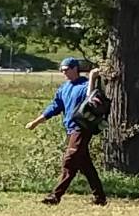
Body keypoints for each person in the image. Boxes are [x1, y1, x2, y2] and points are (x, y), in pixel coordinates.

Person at [29, 56, 108, 206]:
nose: (63, 73)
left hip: (81, 128)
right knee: (85, 165)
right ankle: (100, 198)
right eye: (61, 70)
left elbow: (90, 99)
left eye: (66, 70)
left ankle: (55, 196)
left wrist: (92, 77)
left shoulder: (85, 85)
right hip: (71, 129)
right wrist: (35, 122)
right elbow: (54, 107)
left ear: (75, 69)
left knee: (70, 161)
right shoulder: (64, 88)